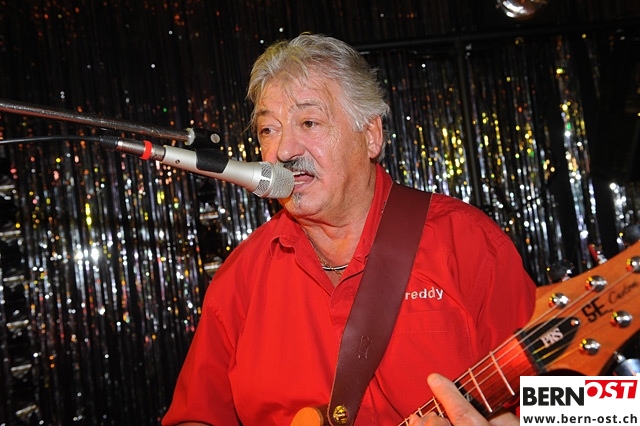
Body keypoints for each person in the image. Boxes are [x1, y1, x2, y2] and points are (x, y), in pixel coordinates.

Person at [162, 33, 536, 426]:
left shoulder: (467, 243)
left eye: (309, 122)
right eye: (268, 130)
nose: (284, 151)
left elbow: (570, 401)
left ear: (371, 135)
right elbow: (195, 417)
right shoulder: (241, 277)